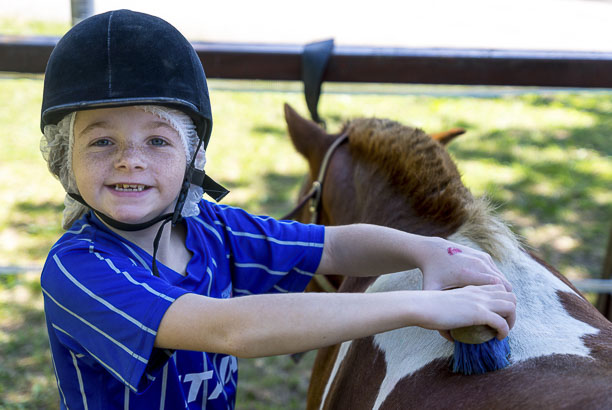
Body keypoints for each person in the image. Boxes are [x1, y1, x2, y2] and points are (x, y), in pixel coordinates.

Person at [39, 9, 516, 410]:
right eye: (102, 141)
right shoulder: (78, 270)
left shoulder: (211, 228)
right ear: (65, 159)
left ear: (193, 156)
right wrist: (421, 306)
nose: (130, 159)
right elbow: (232, 330)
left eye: (158, 140)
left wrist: (427, 252)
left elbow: (333, 246)